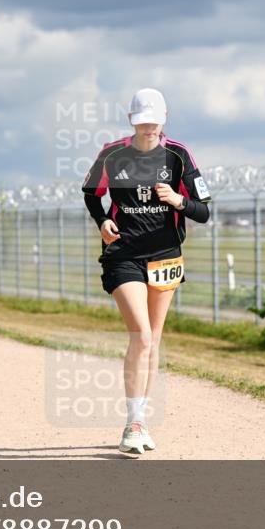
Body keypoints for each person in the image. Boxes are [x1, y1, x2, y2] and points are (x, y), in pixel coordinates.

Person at [81, 88, 212, 457]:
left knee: (152, 340)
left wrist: (178, 200)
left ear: (164, 118)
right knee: (140, 334)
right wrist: (103, 220)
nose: (149, 128)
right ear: (131, 121)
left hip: (165, 256)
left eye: (154, 121)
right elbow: (91, 192)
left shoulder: (178, 156)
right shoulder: (113, 153)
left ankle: (141, 419)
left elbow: (204, 211)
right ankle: (132, 425)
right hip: (123, 253)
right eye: (142, 122)